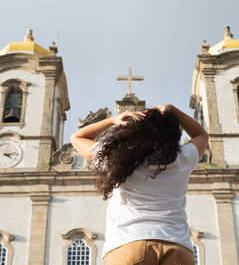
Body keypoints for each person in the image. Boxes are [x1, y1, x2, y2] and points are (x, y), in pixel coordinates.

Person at [70, 104, 208, 265]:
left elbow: (77, 138)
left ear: (135, 131)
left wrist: (113, 120)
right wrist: (172, 109)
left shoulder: (116, 159)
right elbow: (201, 134)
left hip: (129, 244)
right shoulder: (182, 159)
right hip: (178, 247)